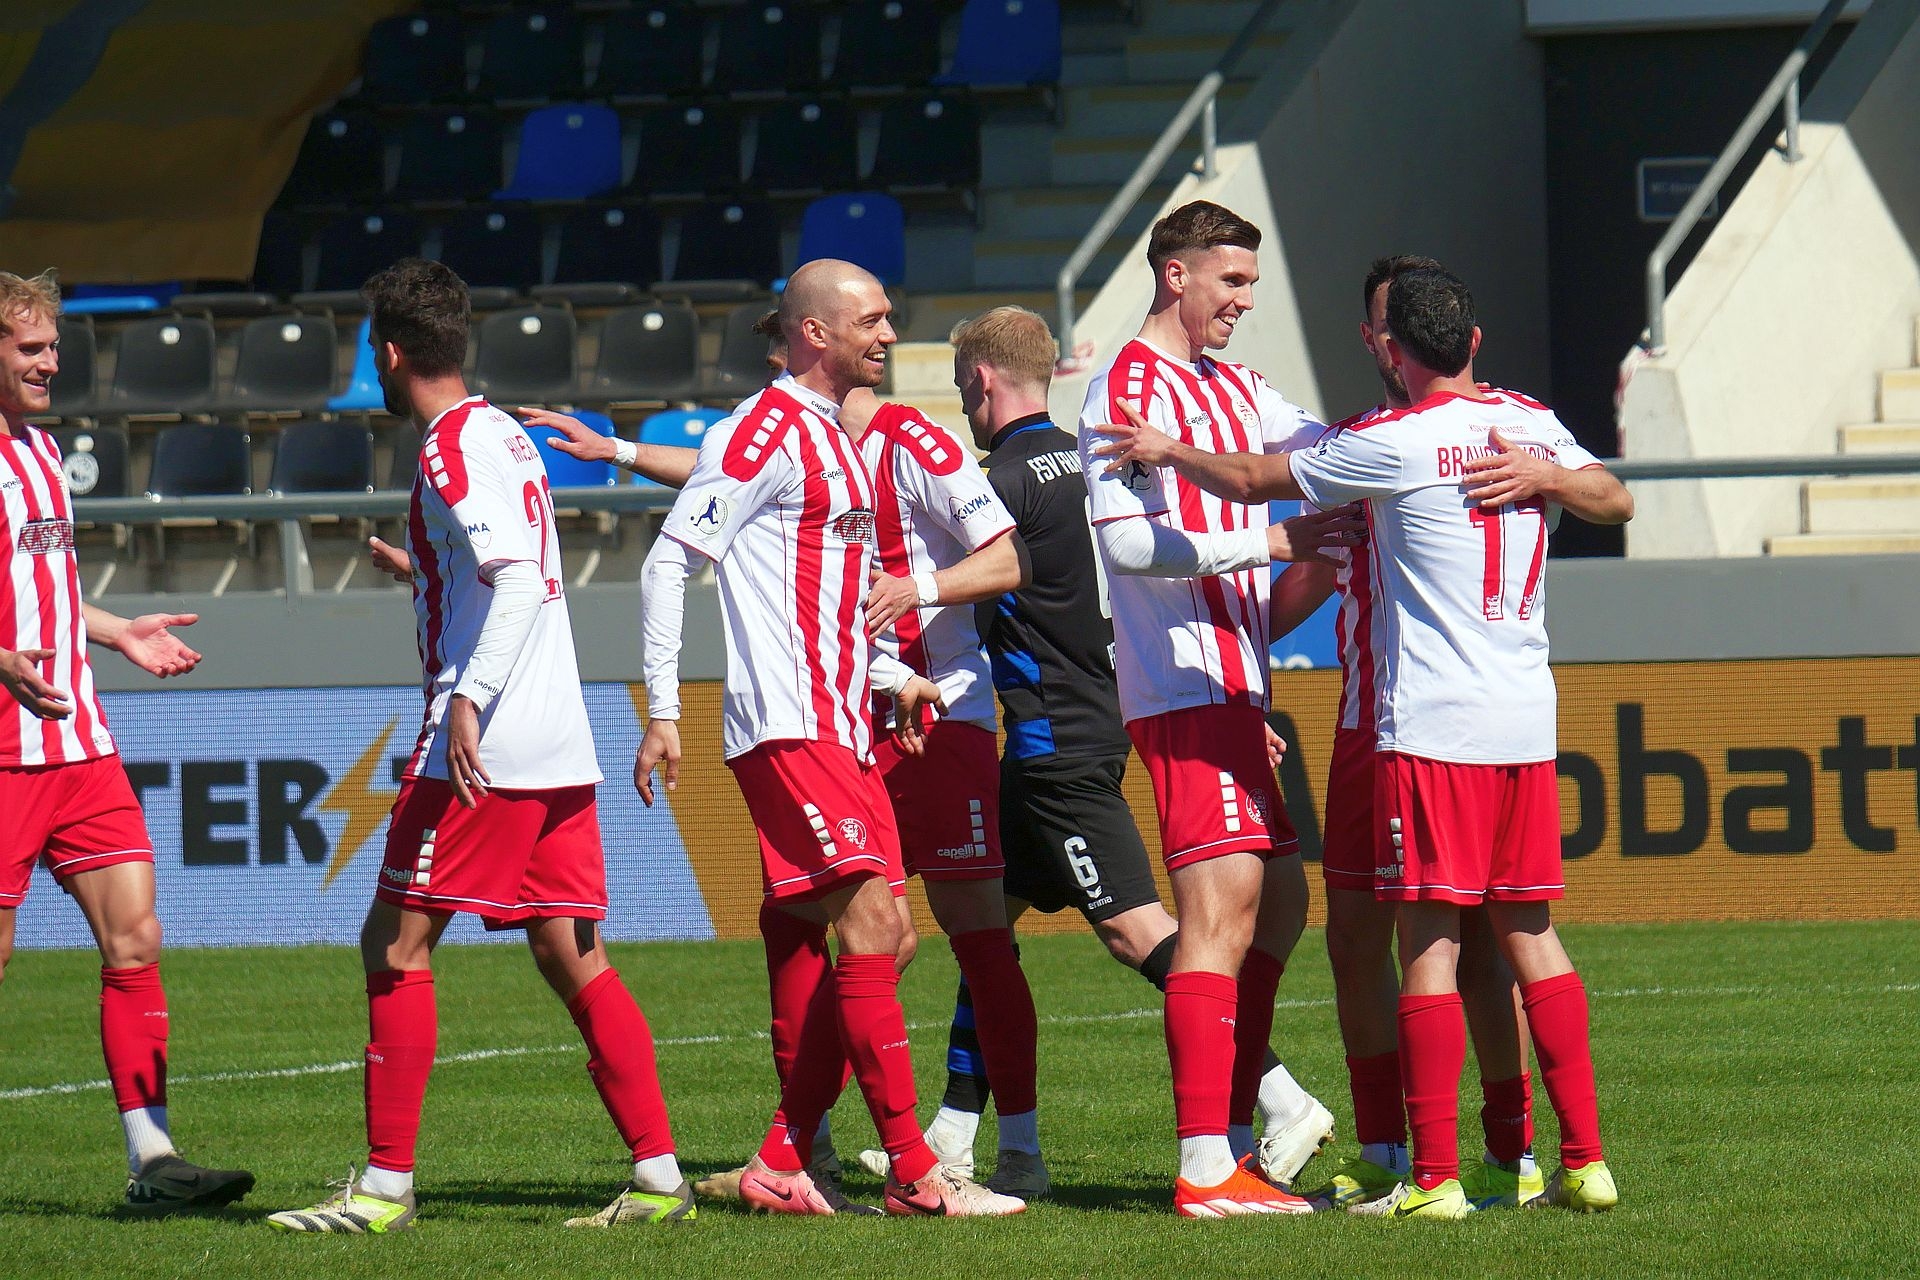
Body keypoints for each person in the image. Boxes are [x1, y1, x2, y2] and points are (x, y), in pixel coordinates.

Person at [1093, 264, 1632, 1218]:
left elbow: (1253, 479)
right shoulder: (1522, 420)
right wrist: (1551, 475)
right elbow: (1615, 498)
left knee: (1444, 944)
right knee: (1407, 936)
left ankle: (1458, 1166)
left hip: (1418, 726)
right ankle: (1470, 1156)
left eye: (1387, 327)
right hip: (1461, 720)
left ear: (1397, 344)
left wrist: (1168, 451)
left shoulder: (1380, 445)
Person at [543, 315, 1046, 1204]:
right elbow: (703, 514)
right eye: (872, 321)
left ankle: (821, 1157)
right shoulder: (781, 431)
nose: (888, 334)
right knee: (839, 931)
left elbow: (976, 569)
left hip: (900, 717)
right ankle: (886, 1166)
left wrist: (903, 650)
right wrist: (664, 709)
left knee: (915, 939)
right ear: (812, 342)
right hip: (809, 722)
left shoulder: (875, 442)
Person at [872, 304, 1340, 1194]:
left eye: (964, 388)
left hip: (1055, 745)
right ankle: (969, 1139)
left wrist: (909, 602)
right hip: (1092, 719)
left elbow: (984, 584)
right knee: (986, 934)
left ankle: (1280, 1096)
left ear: (979, 380)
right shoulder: (1092, 462)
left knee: (1139, 931)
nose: (964, 404)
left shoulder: (999, 483)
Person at [270, 259, 688, 1234]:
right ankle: (660, 1176)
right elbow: (507, 565)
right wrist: (425, 569)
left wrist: (470, 697)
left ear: (388, 354)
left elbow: (517, 578)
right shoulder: (500, 429)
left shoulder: (450, 447)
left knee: (394, 942)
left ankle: (383, 1189)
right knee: (571, 952)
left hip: (485, 744)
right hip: (559, 740)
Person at [1075, 201, 1363, 1216]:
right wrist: (1274, 541)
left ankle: (1236, 1135)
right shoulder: (1124, 389)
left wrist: (1415, 436)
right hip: (1181, 688)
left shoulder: (1236, 386)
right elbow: (1129, 546)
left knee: (1279, 902)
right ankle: (1206, 1164)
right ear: (1176, 275)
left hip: (1241, 686)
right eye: (1231, 281)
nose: (1245, 300)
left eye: (1250, 283)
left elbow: (1328, 448)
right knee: (1220, 909)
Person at [1277, 256, 1545, 1213]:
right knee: (1355, 939)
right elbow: (1302, 580)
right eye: (1387, 323)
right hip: (1370, 724)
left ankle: (1510, 1151)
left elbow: (1599, 494)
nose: (1400, 341)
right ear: (1373, 339)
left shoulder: (1504, 429)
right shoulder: (1362, 447)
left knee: (1479, 944)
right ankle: (1388, 1150)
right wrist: (1260, 625)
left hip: (1447, 722)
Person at [0, 268, 254, 1213]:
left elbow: (49, 591)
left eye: (53, 348)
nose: (48, 363)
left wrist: (115, 633)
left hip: (80, 746)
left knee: (136, 937)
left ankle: (154, 1161)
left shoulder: (41, 448)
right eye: (29, 348)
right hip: (2, 755)